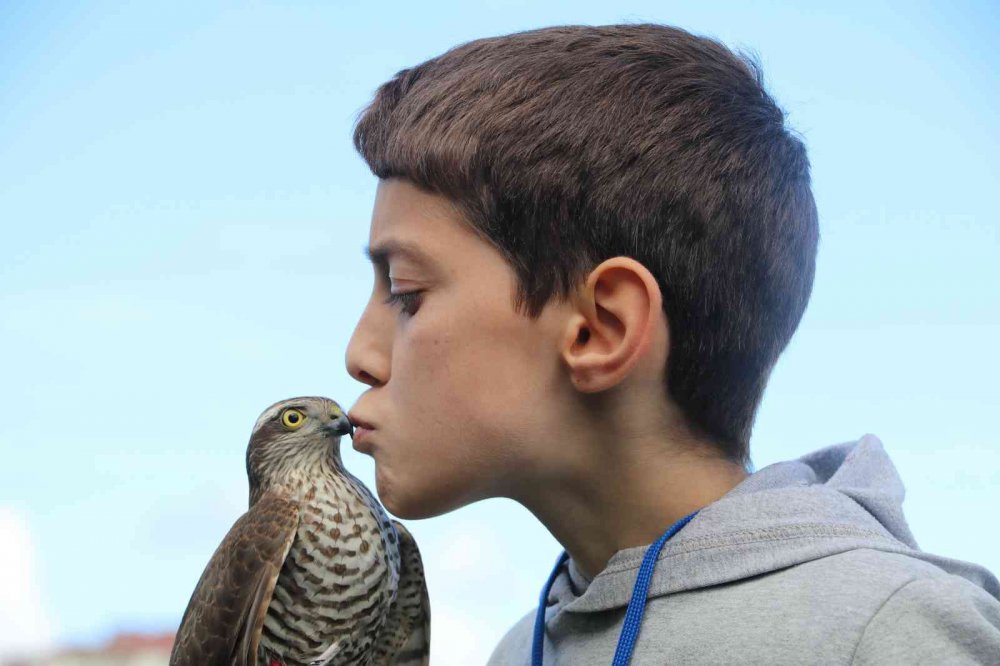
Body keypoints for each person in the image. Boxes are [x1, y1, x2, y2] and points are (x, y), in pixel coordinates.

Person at [343, 23, 1000, 665]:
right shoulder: (520, 649)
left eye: (406, 293)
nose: (359, 354)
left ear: (601, 328)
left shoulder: (894, 632)